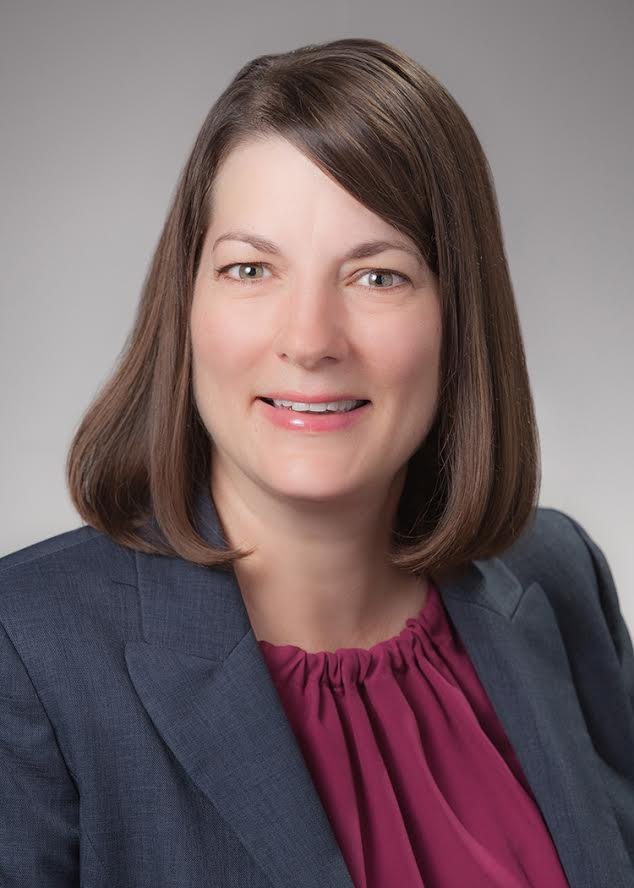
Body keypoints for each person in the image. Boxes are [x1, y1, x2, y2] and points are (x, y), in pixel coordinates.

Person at [0, 36, 632, 888]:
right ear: (186, 303)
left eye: (378, 278)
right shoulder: (29, 650)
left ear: (460, 315)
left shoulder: (558, 577)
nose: (309, 341)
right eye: (250, 268)